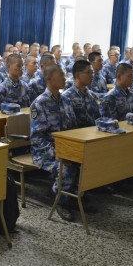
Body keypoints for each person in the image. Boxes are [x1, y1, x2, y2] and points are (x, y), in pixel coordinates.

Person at [30, 65, 79, 222]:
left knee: (84, 162)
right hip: (45, 152)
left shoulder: (66, 100)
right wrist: (55, 152)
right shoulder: (39, 103)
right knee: (67, 167)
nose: (65, 78)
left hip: (66, 148)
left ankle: (75, 197)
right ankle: (61, 202)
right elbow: (37, 138)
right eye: (61, 75)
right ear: (49, 79)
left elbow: (73, 128)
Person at [62, 60, 100, 128]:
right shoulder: (66, 97)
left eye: (92, 72)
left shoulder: (92, 95)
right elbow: (69, 125)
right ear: (78, 76)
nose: (92, 75)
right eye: (89, 72)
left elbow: (98, 118)